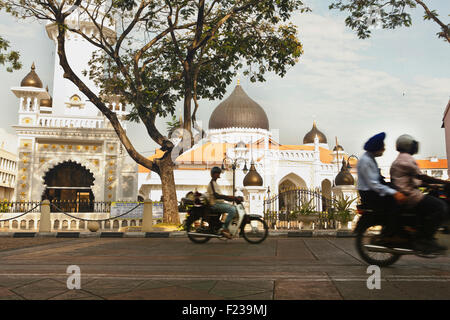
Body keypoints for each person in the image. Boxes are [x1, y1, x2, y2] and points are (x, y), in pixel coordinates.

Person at [390, 134, 448, 254]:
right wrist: (444, 182)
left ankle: (423, 233)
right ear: (407, 146)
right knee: (441, 207)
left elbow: (416, 180)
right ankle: (425, 239)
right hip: (410, 196)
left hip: (409, 193)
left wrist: (431, 185)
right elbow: (421, 176)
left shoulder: (402, 158)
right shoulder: (406, 158)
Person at [357, 132, 407, 244]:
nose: (384, 149)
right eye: (382, 147)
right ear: (377, 148)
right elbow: (374, 184)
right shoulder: (366, 161)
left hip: (373, 191)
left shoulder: (370, 158)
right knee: (396, 203)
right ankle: (390, 233)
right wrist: (394, 193)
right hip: (371, 194)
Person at [207, 167, 241, 239]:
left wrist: (231, 198)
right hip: (215, 205)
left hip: (219, 203)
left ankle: (229, 227)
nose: (218, 174)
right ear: (213, 174)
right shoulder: (212, 183)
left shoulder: (215, 183)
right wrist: (229, 197)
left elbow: (219, 196)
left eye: (219, 173)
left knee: (234, 208)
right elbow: (217, 196)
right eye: (217, 173)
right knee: (232, 210)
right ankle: (224, 228)